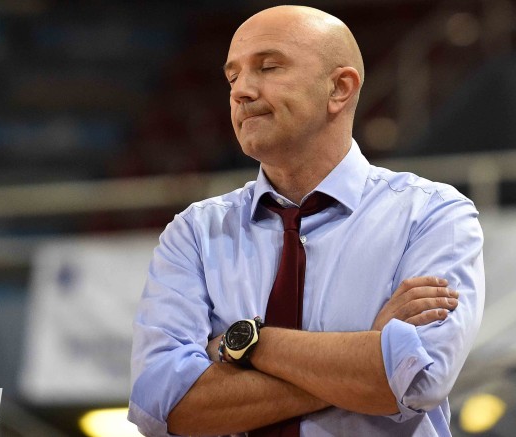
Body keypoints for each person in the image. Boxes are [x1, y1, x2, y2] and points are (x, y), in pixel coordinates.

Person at [128, 5, 484, 437]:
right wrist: (363, 356)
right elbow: (164, 407)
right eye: (233, 77)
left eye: (268, 67)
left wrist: (242, 343)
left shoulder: (433, 214)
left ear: (339, 88)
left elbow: (416, 381)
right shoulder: (194, 233)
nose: (241, 91)